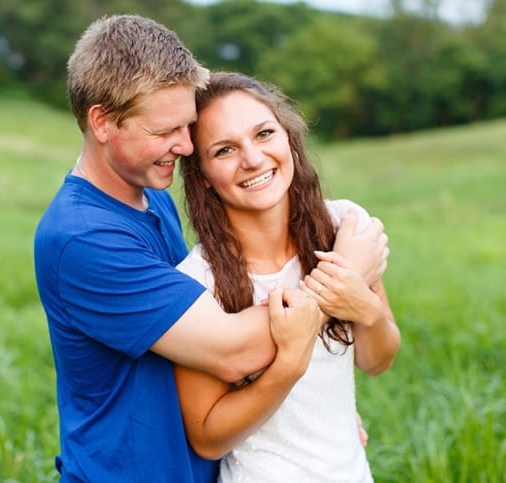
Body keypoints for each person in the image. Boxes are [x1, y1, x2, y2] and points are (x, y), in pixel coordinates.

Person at [33, 15, 390, 482]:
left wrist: (316, 416)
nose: (184, 146)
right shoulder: (82, 238)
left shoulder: (150, 195)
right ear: (101, 121)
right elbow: (231, 350)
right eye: (164, 131)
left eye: (187, 127)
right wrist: (345, 276)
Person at [175, 72, 401, 482]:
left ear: (289, 138)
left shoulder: (345, 227)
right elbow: (207, 437)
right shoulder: (195, 281)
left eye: (264, 134)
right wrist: (289, 362)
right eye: (225, 149)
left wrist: (362, 304)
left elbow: (377, 360)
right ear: (204, 175)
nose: (253, 159)